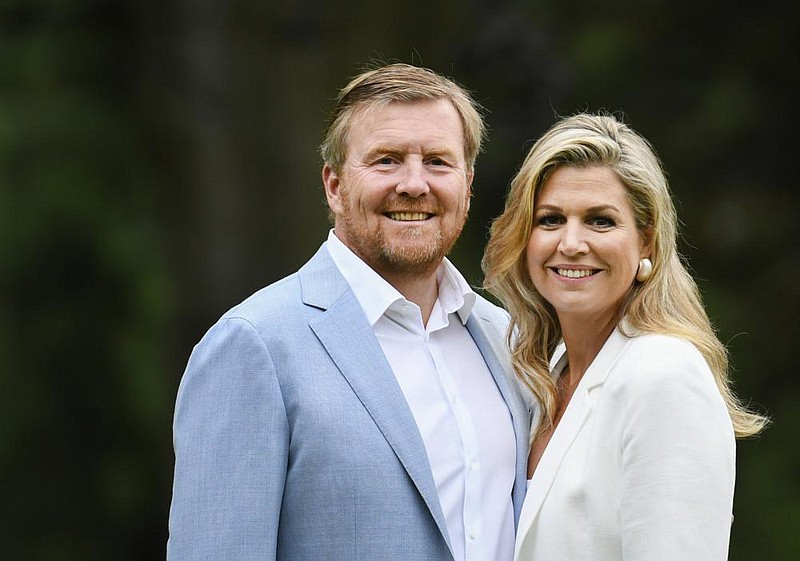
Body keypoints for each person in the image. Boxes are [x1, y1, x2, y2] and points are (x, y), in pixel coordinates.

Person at [167, 63, 532, 561]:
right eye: (386, 160)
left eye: (438, 162)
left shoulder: (505, 339)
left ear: (468, 186)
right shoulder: (252, 346)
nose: (414, 184)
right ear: (334, 185)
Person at [482, 112, 768, 561]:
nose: (572, 243)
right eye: (551, 219)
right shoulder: (540, 380)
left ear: (647, 243)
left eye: (600, 221)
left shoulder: (665, 375)